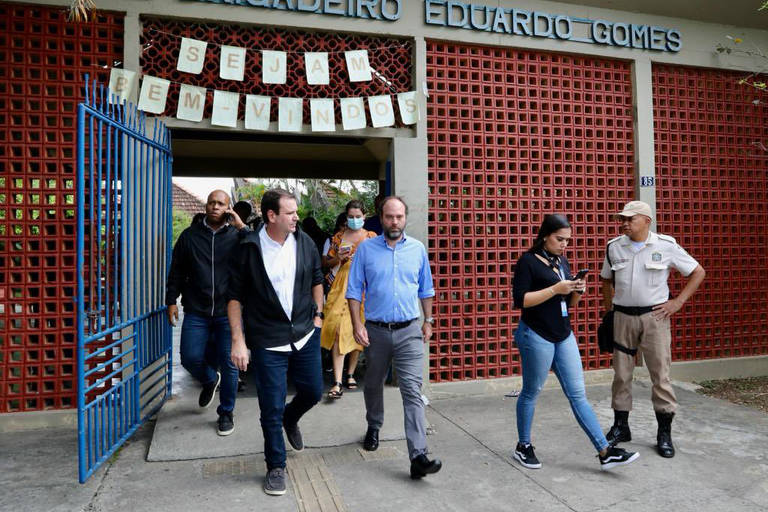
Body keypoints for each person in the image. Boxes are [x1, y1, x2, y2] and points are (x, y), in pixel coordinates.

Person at [512, 214, 639, 471]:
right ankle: (523, 445)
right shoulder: (528, 261)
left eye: (567, 240)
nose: (564, 245)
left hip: (563, 334)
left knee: (578, 394)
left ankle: (605, 452)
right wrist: (555, 289)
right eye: (560, 239)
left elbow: (567, 303)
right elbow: (521, 300)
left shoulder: (561, 261)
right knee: (531, 392)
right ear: (545, 236)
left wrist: (577, 291)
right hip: (536, 334)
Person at [228, 189, 324, 496]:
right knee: (270, 406)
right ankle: (276, 466)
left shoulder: (304, 242)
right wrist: (238, 340)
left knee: (313, 391)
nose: (297, 217)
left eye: (296, 211)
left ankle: (290, 418)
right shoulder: (248, 248)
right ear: (271, 216)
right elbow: (234, 297)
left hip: (305, 333)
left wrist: (318, 316)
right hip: (268, 339)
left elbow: (317, 279)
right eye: (290, 212)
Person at [346, 195, 442, 480]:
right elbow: (354, 290)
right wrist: (357, 324)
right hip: (375, 330)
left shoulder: (417, 249)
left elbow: (426, 289)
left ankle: (418, 456)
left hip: (409, 330)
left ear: (405, 218)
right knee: (373, 383)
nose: (394, 222)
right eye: (389, 217)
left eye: (399, 217)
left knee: (412, 390)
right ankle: (374, 425)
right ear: (381, 218)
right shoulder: (366, 250)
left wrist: (428, 321)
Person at [600, 201, 705, 458]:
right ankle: (621, 427)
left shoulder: (665, 246)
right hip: (623, 317)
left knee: (661, 375)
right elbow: (606, 280)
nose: (624, 223)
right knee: (621, 374)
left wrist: (677, 302)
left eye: (630, 219)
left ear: (647, 221)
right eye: (622, 219)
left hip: (655, 317)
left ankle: (664, 433)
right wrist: (610, 311)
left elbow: (697, 272)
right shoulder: (614, 247)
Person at [165, 190, 246, 436]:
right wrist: (171, 300)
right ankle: (210, 379)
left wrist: (241, 227)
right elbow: (176, 270)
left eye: (221, 204)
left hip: (227, 311)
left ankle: (226, 412)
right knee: (189, 357)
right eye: (212, 202)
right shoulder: (189, 236)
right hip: (196, 310)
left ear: (228, 208)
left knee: (230, 363)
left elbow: (258, 250)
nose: (215, 207)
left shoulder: (236, 236)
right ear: (206, 205)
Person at [321, 200, 377, 399]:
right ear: (346, 217)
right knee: (337, 329)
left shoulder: (371, 237)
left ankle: (350, 373)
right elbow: (326, 262)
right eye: (351, 217)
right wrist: (339, 258)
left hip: (363, 287)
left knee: (357, 330)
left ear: (364, 216)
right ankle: (337, 381)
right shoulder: (338, 237)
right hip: (340, 286)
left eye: (358, 216)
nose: (354, 220)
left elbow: (378, 262)